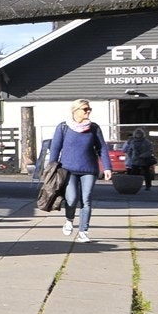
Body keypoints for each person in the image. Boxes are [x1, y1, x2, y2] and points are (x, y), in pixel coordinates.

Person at [46, 99, 112, 243]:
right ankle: (69, 219)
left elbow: (102, 148)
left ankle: (83, 231)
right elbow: (55, 149)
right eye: (85, 109)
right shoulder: (63, 127)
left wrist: (107, 167)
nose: (88, 111)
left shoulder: (94, 128)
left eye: (89, 109)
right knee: (72, 198)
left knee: (86, 199)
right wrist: (52, 168)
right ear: (75, 111)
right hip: (68, 169)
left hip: (89, 169)